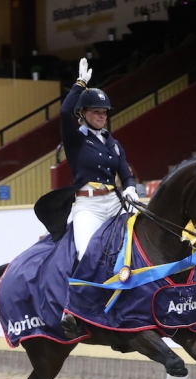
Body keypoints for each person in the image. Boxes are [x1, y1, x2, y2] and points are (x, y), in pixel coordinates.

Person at [60, 58, 138, 260]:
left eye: (104, 112)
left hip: (114, 202)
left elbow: (126, 175)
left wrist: (130, 188)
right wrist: (79, 84)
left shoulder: (114, 144)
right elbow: (63, 111)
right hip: (89, 206)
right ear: (83, 114)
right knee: (85, 254)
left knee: (138, 247)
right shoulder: (75, 140)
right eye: (96, 111)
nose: (102, 116)